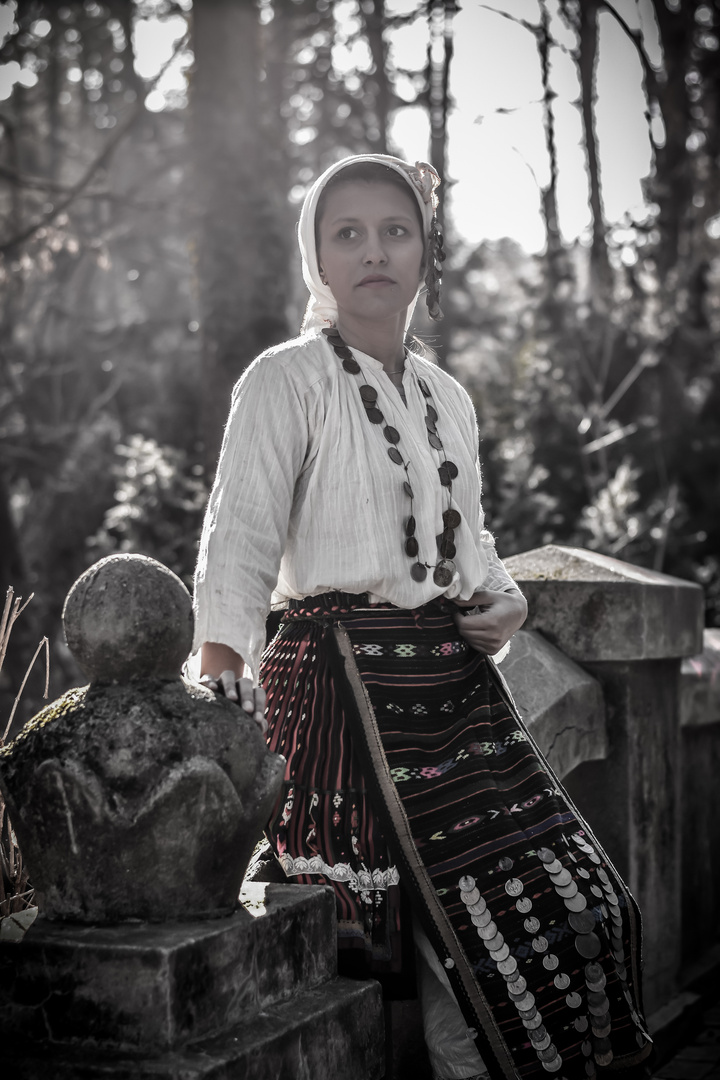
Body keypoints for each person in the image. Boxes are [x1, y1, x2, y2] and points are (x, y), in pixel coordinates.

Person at [193, 154, 652, 1080]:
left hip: (451, 688)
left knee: (586, 905)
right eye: (347, 233)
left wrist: (510, 602)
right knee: (458, 959)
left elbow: (468, 547)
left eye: (395, 231)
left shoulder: (448, 397)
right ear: (316, 257)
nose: (374, 252)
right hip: (341, 691)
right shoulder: (284, 381)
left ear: (424, 248)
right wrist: (219, 672)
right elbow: (238, 537)